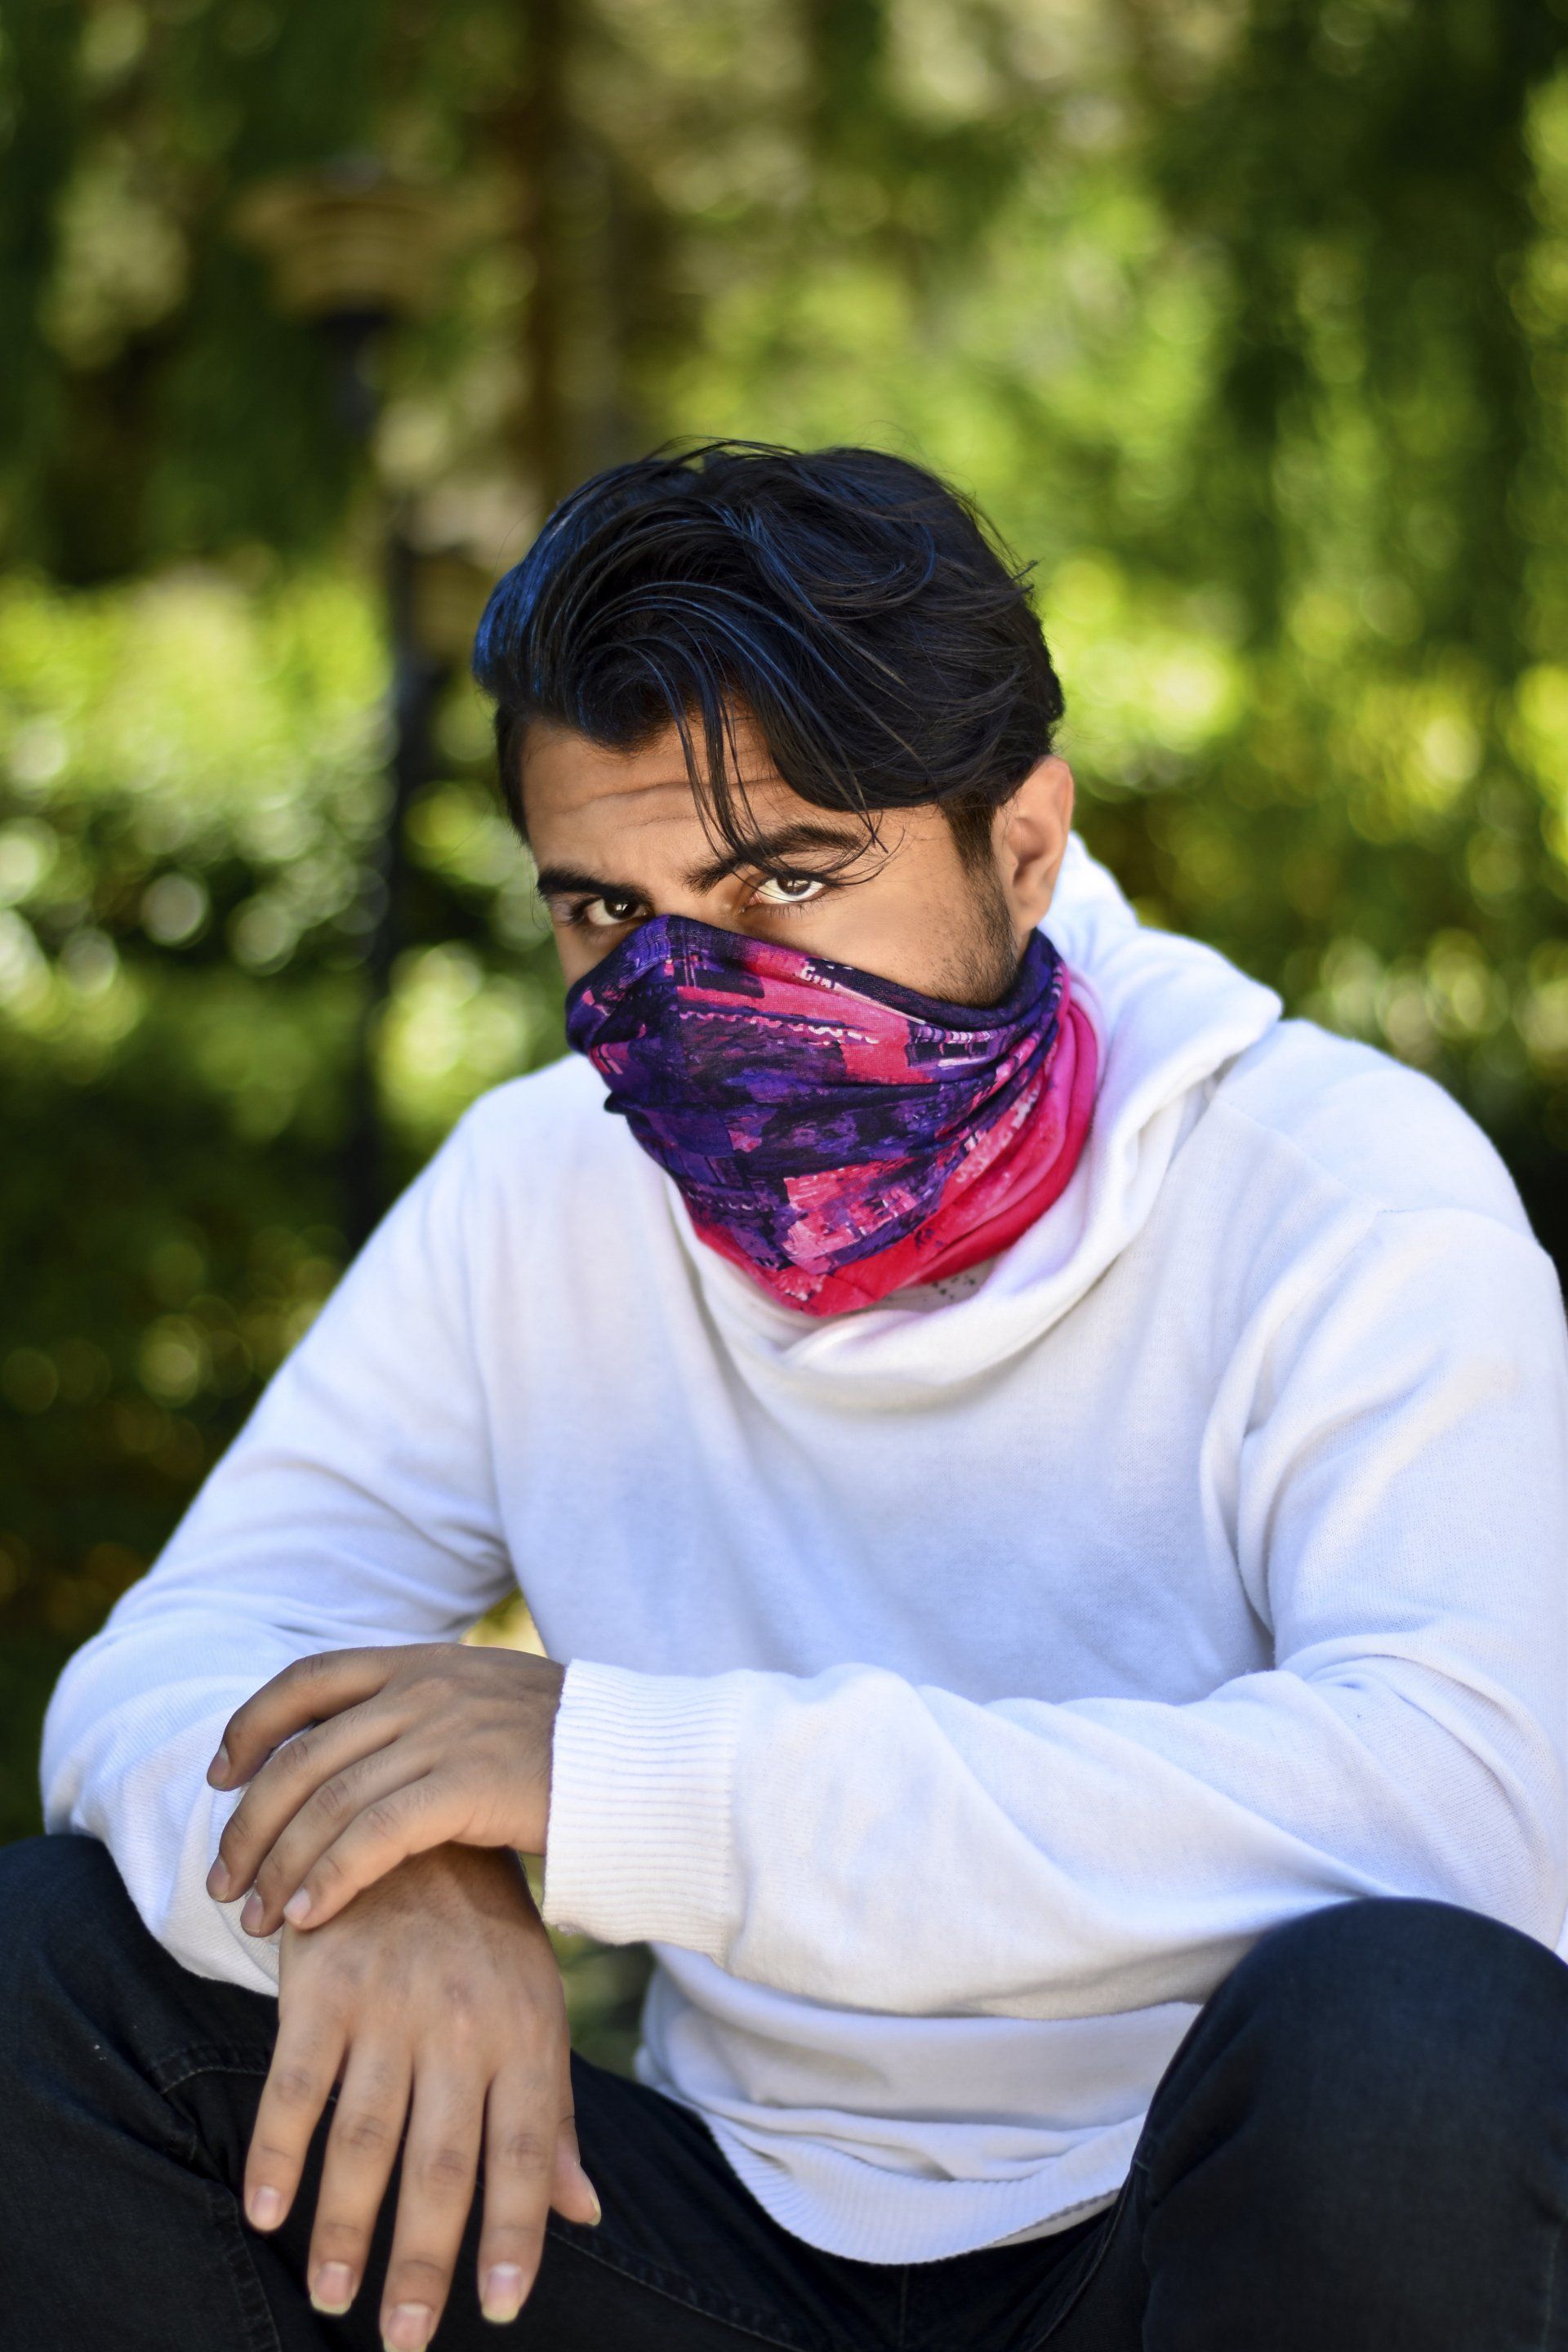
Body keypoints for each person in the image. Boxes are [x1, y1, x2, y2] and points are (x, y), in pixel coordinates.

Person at [5, 442, 1568, 2352]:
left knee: (1414, 2048)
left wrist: (616, 1782)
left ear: (1025, 841)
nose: (692, 1000)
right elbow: (169, 1667)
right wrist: (378, 1886)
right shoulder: (544, 1190)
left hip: (1199, 2236)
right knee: (53, 1980)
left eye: (791, 880)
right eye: (603, 914)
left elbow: (1463, 1816)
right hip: (703, 2253)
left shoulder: (1339, 1191)